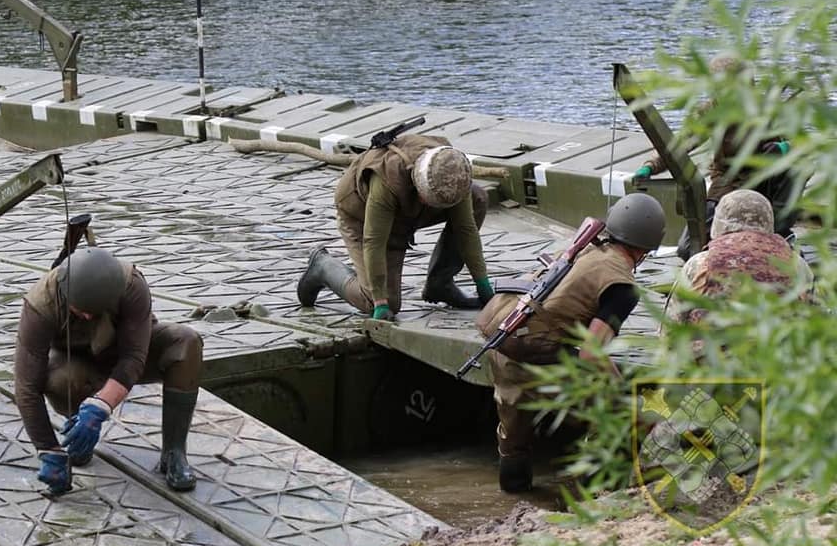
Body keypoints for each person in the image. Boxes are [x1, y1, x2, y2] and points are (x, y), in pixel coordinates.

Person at [475, 192, 666, 492]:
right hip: (542, 349)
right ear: (647, 245)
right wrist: (624, 397)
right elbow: (592, 353)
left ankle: (514, 494)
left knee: (513, 438)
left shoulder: (586, 249)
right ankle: (592, 495)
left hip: (506, 341)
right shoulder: (622, 287)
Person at [13, 247, 204, 496]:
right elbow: (26, 386)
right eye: (80, 310)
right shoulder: (41, 305)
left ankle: (174, 452)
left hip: (124, 354)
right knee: (62, 381)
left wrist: (100, 406)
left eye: (95, 311)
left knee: (186, 343)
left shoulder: (132, 285)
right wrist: (48, 449)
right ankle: (77, 433)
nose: (87, 316)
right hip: (78, 364)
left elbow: (134, 357)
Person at [297, 134, 494, 319]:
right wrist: (380, 301)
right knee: (378, 302)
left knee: (478, 198)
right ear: (418, 184)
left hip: (407, 212)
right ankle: (322, 266)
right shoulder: (387, 182)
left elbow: (465, 229)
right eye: (426, 199)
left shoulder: (454, 173)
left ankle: (440, 284)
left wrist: (482, 283)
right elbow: (374, 241)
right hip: (361, 217)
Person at [633, 53, 802, 261]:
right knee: (689, 249)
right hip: (727, 185)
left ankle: (781, 234)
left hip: (764, 184)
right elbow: (680, 143)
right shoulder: (711, 110)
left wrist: (786, 148)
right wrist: (651, 165)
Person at [667, 189, 813, 328]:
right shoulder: (797, 265)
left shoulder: (699, 263)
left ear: (719, 221)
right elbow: (814, 319)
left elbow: (673, 325)